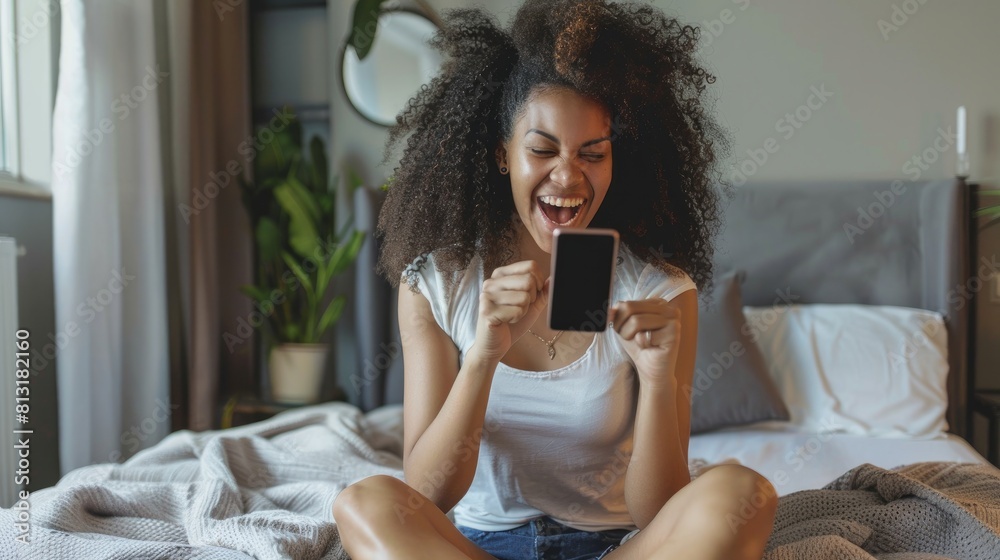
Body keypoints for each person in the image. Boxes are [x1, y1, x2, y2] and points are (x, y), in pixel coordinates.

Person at [334, 1, 778, 558]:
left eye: (593, 153)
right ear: (502, 154)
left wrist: (660, 381)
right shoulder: (435, 285)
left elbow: (658, 511)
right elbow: (426, 494)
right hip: (477, 547)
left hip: (613, 549)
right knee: (364, 502)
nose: (568, 176)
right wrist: (482, 353)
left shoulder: (661, 291)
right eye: (542, 149)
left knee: (744, 493)